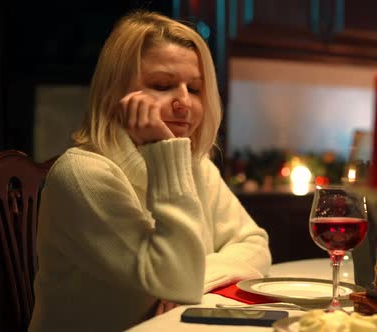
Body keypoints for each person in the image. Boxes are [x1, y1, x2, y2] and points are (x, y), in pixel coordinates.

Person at [29, 10, 272, 332]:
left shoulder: (195, 167)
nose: (184, 102)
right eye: (162, 85)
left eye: (196, 89)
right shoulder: (81, 174)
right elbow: (174, 280)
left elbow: (255, 244)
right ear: (115, 93)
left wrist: (196, 279)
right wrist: (182, 282)